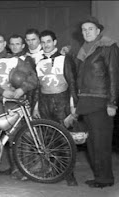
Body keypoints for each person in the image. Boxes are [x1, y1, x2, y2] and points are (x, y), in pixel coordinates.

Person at [0, 33, 38, 176]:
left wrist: (22, 89)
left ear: (5, 44)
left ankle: (19, 170)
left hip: (12, 103)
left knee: (16, 137)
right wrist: (1, 91)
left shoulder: (15, 60)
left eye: (0, 42)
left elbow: (33, 78)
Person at [75, 17, 119, 188]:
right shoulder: (83, 50)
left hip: (101, 101)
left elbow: (115, 76)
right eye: (84, 29)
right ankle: (99, 176)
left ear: (98, 30)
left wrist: (112, 103)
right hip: (86, 101)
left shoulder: (108, 47)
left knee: (101, 143)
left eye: (90, 29)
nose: (87, 32)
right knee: (92, 144)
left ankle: (105, 179)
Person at [32, 30, 78, 186]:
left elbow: (72, 83)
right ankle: (54, 170)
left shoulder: (65, 59)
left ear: (55, 42)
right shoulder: (38, 61)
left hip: (61, 101)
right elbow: (37, 87)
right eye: (43, 42)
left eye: (48, 41)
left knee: (65, 140)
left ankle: (69, 175)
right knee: (48, 140)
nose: (45, 45)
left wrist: (72, 107)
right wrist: (36, 106)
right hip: (44, 102)